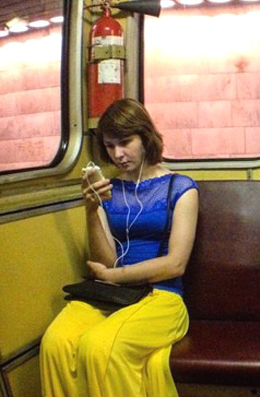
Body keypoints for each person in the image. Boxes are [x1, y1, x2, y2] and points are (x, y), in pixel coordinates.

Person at [40, 99, 200, 397]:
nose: (117, 154)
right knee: (56, 342)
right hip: (114, 294)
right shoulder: (108, 191)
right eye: (110, 146)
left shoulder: (180, 187)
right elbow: (106, 261)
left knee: (100, 347)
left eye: (125, 142)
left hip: (162, 295)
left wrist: (115, 276)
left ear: (145, 137)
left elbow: (175, 264)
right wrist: (91, 209)